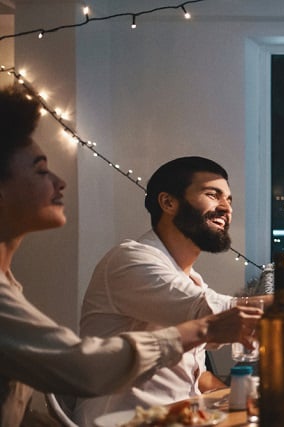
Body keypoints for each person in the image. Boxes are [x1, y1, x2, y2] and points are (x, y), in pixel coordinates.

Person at [0, 85, 259, 427]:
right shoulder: (131, 259)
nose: (60, 182)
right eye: (40, 169)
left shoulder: (9, 286)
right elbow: (79, 368)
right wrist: (204, 327)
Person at [75, 158, 284, 424]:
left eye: (229, 199)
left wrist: (221, 393)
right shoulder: (132, 260)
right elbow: (222, 315)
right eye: (213, 195)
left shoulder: (190, 277)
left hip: (183, 416)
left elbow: (197, 354)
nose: (225, 208)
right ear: (168, 202)